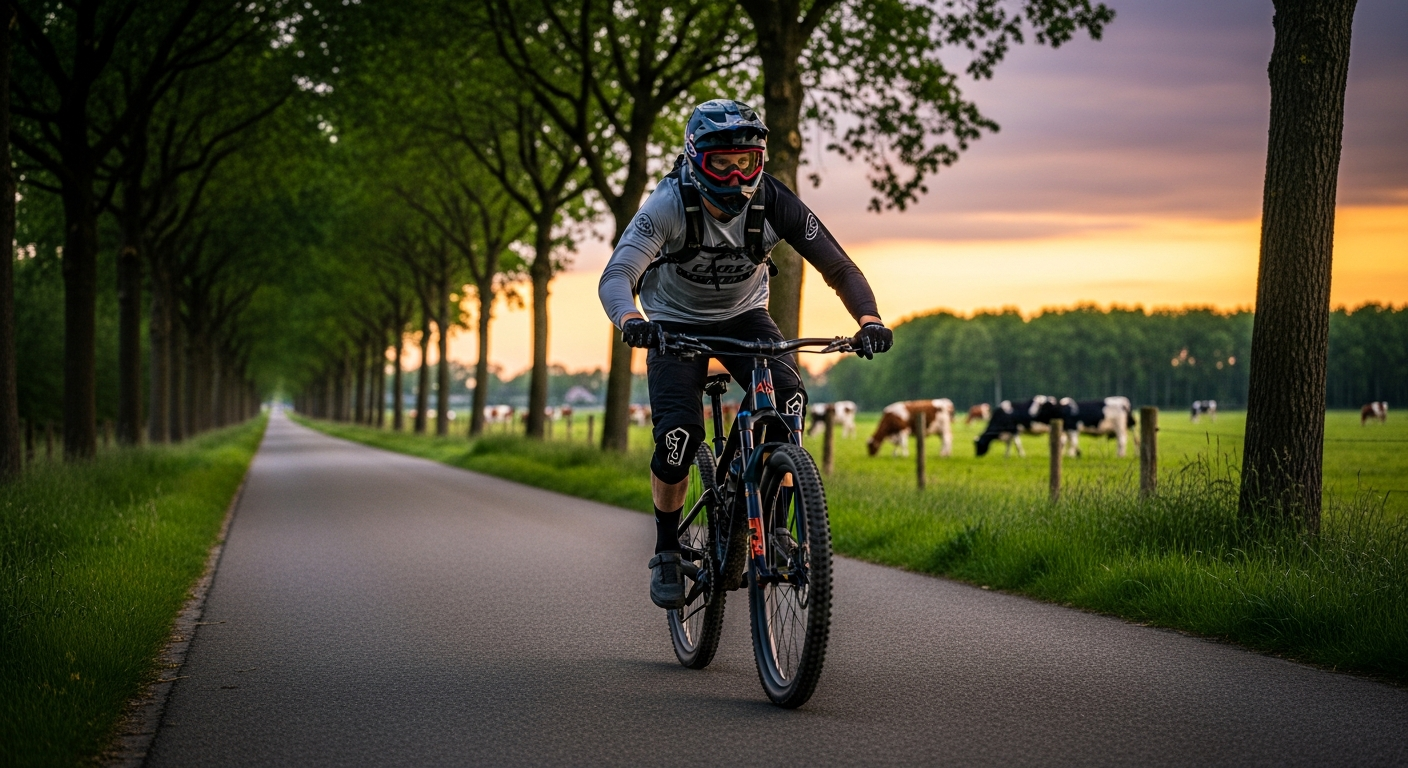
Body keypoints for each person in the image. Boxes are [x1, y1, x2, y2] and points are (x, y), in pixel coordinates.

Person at [598, 99, 893, 610]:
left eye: (747, 163)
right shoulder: (667, 205)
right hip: (672, 323)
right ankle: (667, 550)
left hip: (745, 316)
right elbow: (617, 275)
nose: (737, 178)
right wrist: (632, 321)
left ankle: (774, 526)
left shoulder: (774, 201)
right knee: (678, 437)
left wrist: (869, 319)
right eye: (722, 165)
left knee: (789, 400)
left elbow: (839, 267)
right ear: (696, 160)